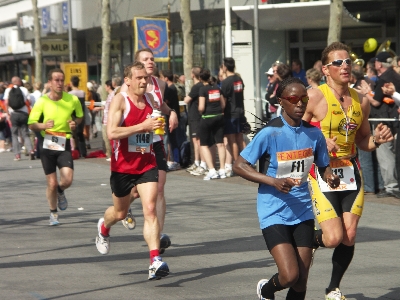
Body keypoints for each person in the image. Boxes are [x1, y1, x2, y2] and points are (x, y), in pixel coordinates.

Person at [233, 77, 339, 300]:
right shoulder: (270, 132)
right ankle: (266, 290)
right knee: (290, 275)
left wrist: (330, 176)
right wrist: (273, 181)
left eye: (304, 99)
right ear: (282, 101)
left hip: (302, 210)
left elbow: (323, 165)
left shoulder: (314, 134)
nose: (300, 103)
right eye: (293, 99)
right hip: (274, 211)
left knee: (301, 281)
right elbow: (240, 165)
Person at [303, 42, 394, 300]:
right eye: (338, 63)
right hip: (322, 171)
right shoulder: (314, 96)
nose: (345, 66)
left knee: (349, 235)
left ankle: (332, 288)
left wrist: (377, 139)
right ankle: (305, 240)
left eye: (348, 61)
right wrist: (319, 140)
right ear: (325, 69)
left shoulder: (361, 101)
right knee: (333, 238)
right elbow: (295, 133)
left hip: (350, 170)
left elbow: (363, 141)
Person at [95, 61, 170, 280]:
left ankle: (155, 260)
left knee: (149, 208)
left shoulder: (151, 99)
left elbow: (153, 128)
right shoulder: (120, 100)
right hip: (123, 168)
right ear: (127, 80)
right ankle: (104, 227)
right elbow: (112, 132)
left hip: (146, 163)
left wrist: (158, 127)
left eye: (145, 78)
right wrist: (142, 127)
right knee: (119, 213)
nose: (143, 81)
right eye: (138, 78)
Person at [120, 48, 179, 254]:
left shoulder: (160, 84)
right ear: (136, 66)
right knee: (137, 190)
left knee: (159, 188)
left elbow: (160, 105)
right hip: (136, 141)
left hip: (155, 141)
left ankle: (157, 236)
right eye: (145, 59)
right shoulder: (126, 87)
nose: (151, 61)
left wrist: (171, 113)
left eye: (152, 59)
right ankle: (123, 206)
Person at [28, 68, 83, 225]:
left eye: (61, 80)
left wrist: (74, 124)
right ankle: (53, 213)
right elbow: (31, 124)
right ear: (50, 83)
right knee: (51, 183)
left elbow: (79, 117)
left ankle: (60, 191)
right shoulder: (42, 101)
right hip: (48, 144)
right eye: (56, 80)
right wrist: (43, 125)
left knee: (67, 180)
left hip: (63, 142)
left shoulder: (71, 100)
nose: (59, 83)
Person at [198, 68, 226, 180]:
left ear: (200, 78)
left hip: (207, 118)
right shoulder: (217, 88)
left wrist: (200, 111)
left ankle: (212, 170)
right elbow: (223, 104)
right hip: (219, 117)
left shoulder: (202, 90)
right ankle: (223, 170)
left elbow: (201, 107)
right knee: (220, 143)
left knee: (204, 144)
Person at [221, 57, 245, 172]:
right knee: (240, 138)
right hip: (240, 111)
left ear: (225, 67)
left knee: (232, 140)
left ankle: (237, 164)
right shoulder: (239, 79)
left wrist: (221, 110)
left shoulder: (226, 82)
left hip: (230, 114)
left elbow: (223, 101)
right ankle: (247, 162)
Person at [4, 76, 35, 161]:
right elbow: (29, 101)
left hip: (13, 113)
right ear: (19, 82)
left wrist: (7, 113)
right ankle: (31, 150)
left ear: (12, 82)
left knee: (14, 134)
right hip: (24, 113)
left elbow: (6, 102)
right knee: (25, 133)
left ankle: (17, 155)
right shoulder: (24, 89)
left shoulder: (8, 90)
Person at [69, 76, 87, 157]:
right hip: (81, 114)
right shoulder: (82, 92)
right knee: (80, 133)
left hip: (73, 115)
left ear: (71, 83)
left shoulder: (70, 94)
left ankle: (76, 150)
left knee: (74, 134)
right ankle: (83, 151)